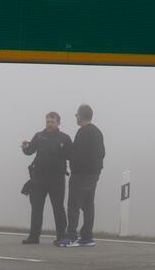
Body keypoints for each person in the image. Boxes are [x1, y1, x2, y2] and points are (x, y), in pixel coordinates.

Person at [18, 110, 70, 245]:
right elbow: (30, 151)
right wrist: (25, 147)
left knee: (58, 208)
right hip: (39, 178)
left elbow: (71, 156)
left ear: (58, 123)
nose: (49, 124)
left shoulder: (64, 138)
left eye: (52, 122)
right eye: (47, 121)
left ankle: (61, 236)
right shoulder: (39, 136)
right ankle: (33, 237)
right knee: (36, 208)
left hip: (57, 178)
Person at [66, 104, 105, 247]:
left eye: (76, 115)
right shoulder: (97, 132)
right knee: (88, 205)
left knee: (73, 205)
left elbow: (77, 154)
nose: (76, 117)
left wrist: (71, 161)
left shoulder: (83, 132)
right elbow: (102, 153)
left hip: (80, 175)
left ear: (81, 116)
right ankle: (87, 236)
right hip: (94, 174)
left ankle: (71, 237)